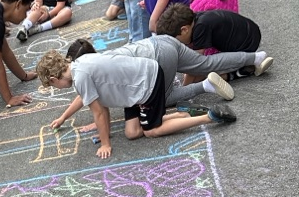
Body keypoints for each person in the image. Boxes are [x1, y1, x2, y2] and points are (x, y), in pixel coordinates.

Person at [37, 50, 236, 160]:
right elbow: (87, 98)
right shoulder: (80, 63)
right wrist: (64, 117)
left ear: (54, 79)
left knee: (151, 130)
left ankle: (210, 116)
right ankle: (183, 114)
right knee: (132, 133)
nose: (58, 88)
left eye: (54, 86)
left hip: (145, 84)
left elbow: (99, 113)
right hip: (133, 86)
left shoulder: (80, 77)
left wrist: (106, 142)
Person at [50, 34, 268, 121]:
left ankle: (206, 86)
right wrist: (63, 117)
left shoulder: (88, 73)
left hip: (157, 60)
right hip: (160, 42)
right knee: (206, 63)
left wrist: (63, 118)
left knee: (165, 97)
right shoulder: (97, 61)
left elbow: (87, 95)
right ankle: (256, 57)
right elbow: (84, 95)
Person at [156, 4, 272, 78]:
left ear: (184, 29)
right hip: (250, 33)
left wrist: (184, 88)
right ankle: (245, 67)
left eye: (177, 41)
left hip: (247, 44)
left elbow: (195, 64)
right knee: (205, 71)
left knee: (207, 72)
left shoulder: (200, 28)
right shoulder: (195, 20)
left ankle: (242, 69)